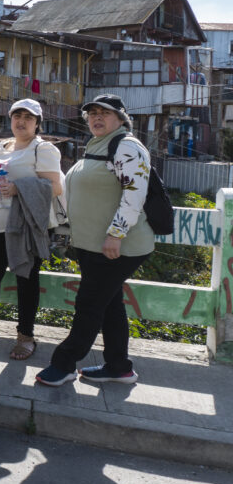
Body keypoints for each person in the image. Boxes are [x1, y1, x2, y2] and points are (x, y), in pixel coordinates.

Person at [36, 94, 153, 386]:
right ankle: (119, 367)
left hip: (117, 246)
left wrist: (115, 235)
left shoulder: (126, 145)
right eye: (92, 113)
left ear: (121, 118)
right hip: (92, 245)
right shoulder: (97, 145)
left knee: (88, 304)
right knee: (110, 305)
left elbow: (133, 195)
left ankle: (63, 364)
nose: (97, 118)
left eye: (105, 113)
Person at [0, 98, 63, 361]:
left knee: (26, 282)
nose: (21, 121)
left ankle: (26, 336)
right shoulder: (2, 146)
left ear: (37, 123)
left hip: (25, 226)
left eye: (28, 118)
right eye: (17, 116)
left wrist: (21, 188)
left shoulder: (42, 149)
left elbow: (55, 187)